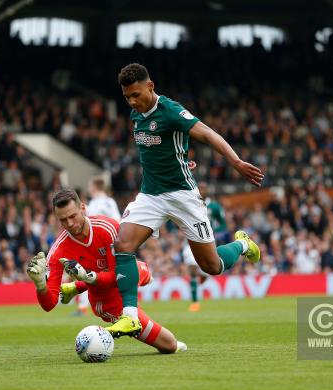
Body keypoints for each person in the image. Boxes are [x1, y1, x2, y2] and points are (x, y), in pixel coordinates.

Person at [106, 63, 264, 337]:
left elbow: (207, 133)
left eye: (136, 94)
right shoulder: (137, 113)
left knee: (211, 266)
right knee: (122, 243)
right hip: (151, 196)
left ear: (150, 86)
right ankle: (130, 315)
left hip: (183, 196)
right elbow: (160, 150)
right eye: (127, 97)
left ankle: (241, 244)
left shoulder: (170, 111)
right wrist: (180, 160)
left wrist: (235, 161)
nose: (132, 101)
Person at [26, 188, 186, 353]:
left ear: (83, 208)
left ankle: (77, 286)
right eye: (63, 220)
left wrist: (87, 278)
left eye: (73, 216)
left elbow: (117, 275)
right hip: (106, 299)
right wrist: (40, 285)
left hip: (115, 278)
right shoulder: (58, 252)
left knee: (137, 268)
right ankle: (80, 286)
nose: (70, 224)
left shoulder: (108, 228)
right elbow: (49, 304)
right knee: (169, 345)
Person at [184, 181, 229, 312]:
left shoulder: (214, 206)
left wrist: (214, 230)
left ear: (207, 190)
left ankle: (200, 280)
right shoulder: (191, 203)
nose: (202, 190)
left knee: (208, 270)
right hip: (191, 239)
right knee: (192, 268)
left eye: (204, 188)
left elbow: (223, 224)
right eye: (200, 188)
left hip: (208, 240)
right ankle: (194, 302)